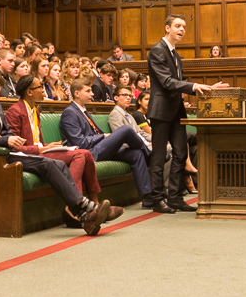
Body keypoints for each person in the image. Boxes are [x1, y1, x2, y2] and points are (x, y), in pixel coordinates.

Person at [0, 70, 121, 235]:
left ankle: (84, 217)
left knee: (58, 163)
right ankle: (87, 207)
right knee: (48, 163)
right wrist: (1, 140)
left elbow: (7, 131)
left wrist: (4, 138)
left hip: (8, 150)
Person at [146, 14, 214, 214]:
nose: (181, 30)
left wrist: (206, 89)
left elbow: (181, 80)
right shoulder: (157, 51)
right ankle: (157, 198)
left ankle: (174, 197)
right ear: (167, 28)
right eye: (177, 26)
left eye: (184, 27)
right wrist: (194, 85)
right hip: (161, 111)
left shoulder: (175, 54)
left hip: (176, 110)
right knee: (159, 156)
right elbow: (167, 82)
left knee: (181, 153)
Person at [4, 74, 103, 201]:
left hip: (40, 152)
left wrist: (49, 146)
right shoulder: (15, 111)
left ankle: (95, 202)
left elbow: (37, 142)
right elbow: (16, 147)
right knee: (80, 155)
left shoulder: (35, 110)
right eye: (39, 87)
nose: (43, 90)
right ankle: (76, 203)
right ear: (29, 92)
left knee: (86, 154)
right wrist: (42, 148)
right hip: (31, 156)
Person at [59, 78, 152, 205]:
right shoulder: (70, 113)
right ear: (76, 93)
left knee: (136, 153)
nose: (92, 94)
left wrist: (103, 137)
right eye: (88, 91)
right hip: (89, 153)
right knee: (125, 130)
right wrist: (103, 137)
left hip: (99, 147)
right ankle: (150, 156)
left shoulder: (83, 111)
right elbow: (79, 142)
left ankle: (148, 197)